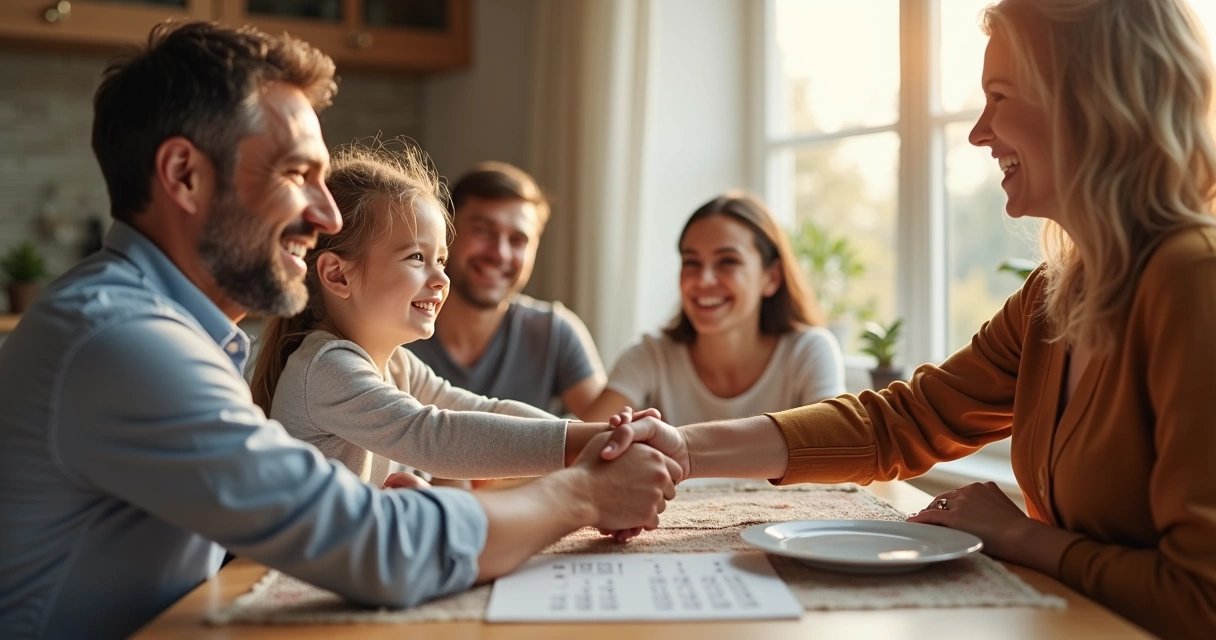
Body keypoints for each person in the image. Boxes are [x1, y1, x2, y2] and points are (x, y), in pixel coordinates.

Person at [0, 22, 678, 639]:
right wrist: (584, 491)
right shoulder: (127, 343)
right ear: (184, 176)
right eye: (298, 174)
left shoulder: (173, 331)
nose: (326, 215)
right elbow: (380, 549)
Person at [613, 1, 1216, 636]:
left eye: (1000, 96)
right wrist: (683, 448)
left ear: (1092, 102)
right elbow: (903, 420)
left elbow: (1200, 602)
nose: (978, 132)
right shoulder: (1058, 291)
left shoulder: (1191, 280)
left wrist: (1018, 533)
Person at [248, 142, 661, 490]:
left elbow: (482, 410)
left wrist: (597, 440)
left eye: (441, 260)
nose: (441, 278)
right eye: (417, 258)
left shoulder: (396, 364)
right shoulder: (326, 367)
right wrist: (590, 445)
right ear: (338, 275)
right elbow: (436, 437)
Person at [583, 191, 845, 426]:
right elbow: (580, 449)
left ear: (772, 277)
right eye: (692, 262)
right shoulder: (649, 357)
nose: (703, 280)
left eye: (727, 261)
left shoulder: (809, 352)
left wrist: (685, 449)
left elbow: (836, 457)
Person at [405, 163, 606, 417]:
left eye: (517, 241)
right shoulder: (394, 326)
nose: (499, 253)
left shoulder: (554, 333)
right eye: (482, 231)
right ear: (445, 233)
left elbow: (608, 432)